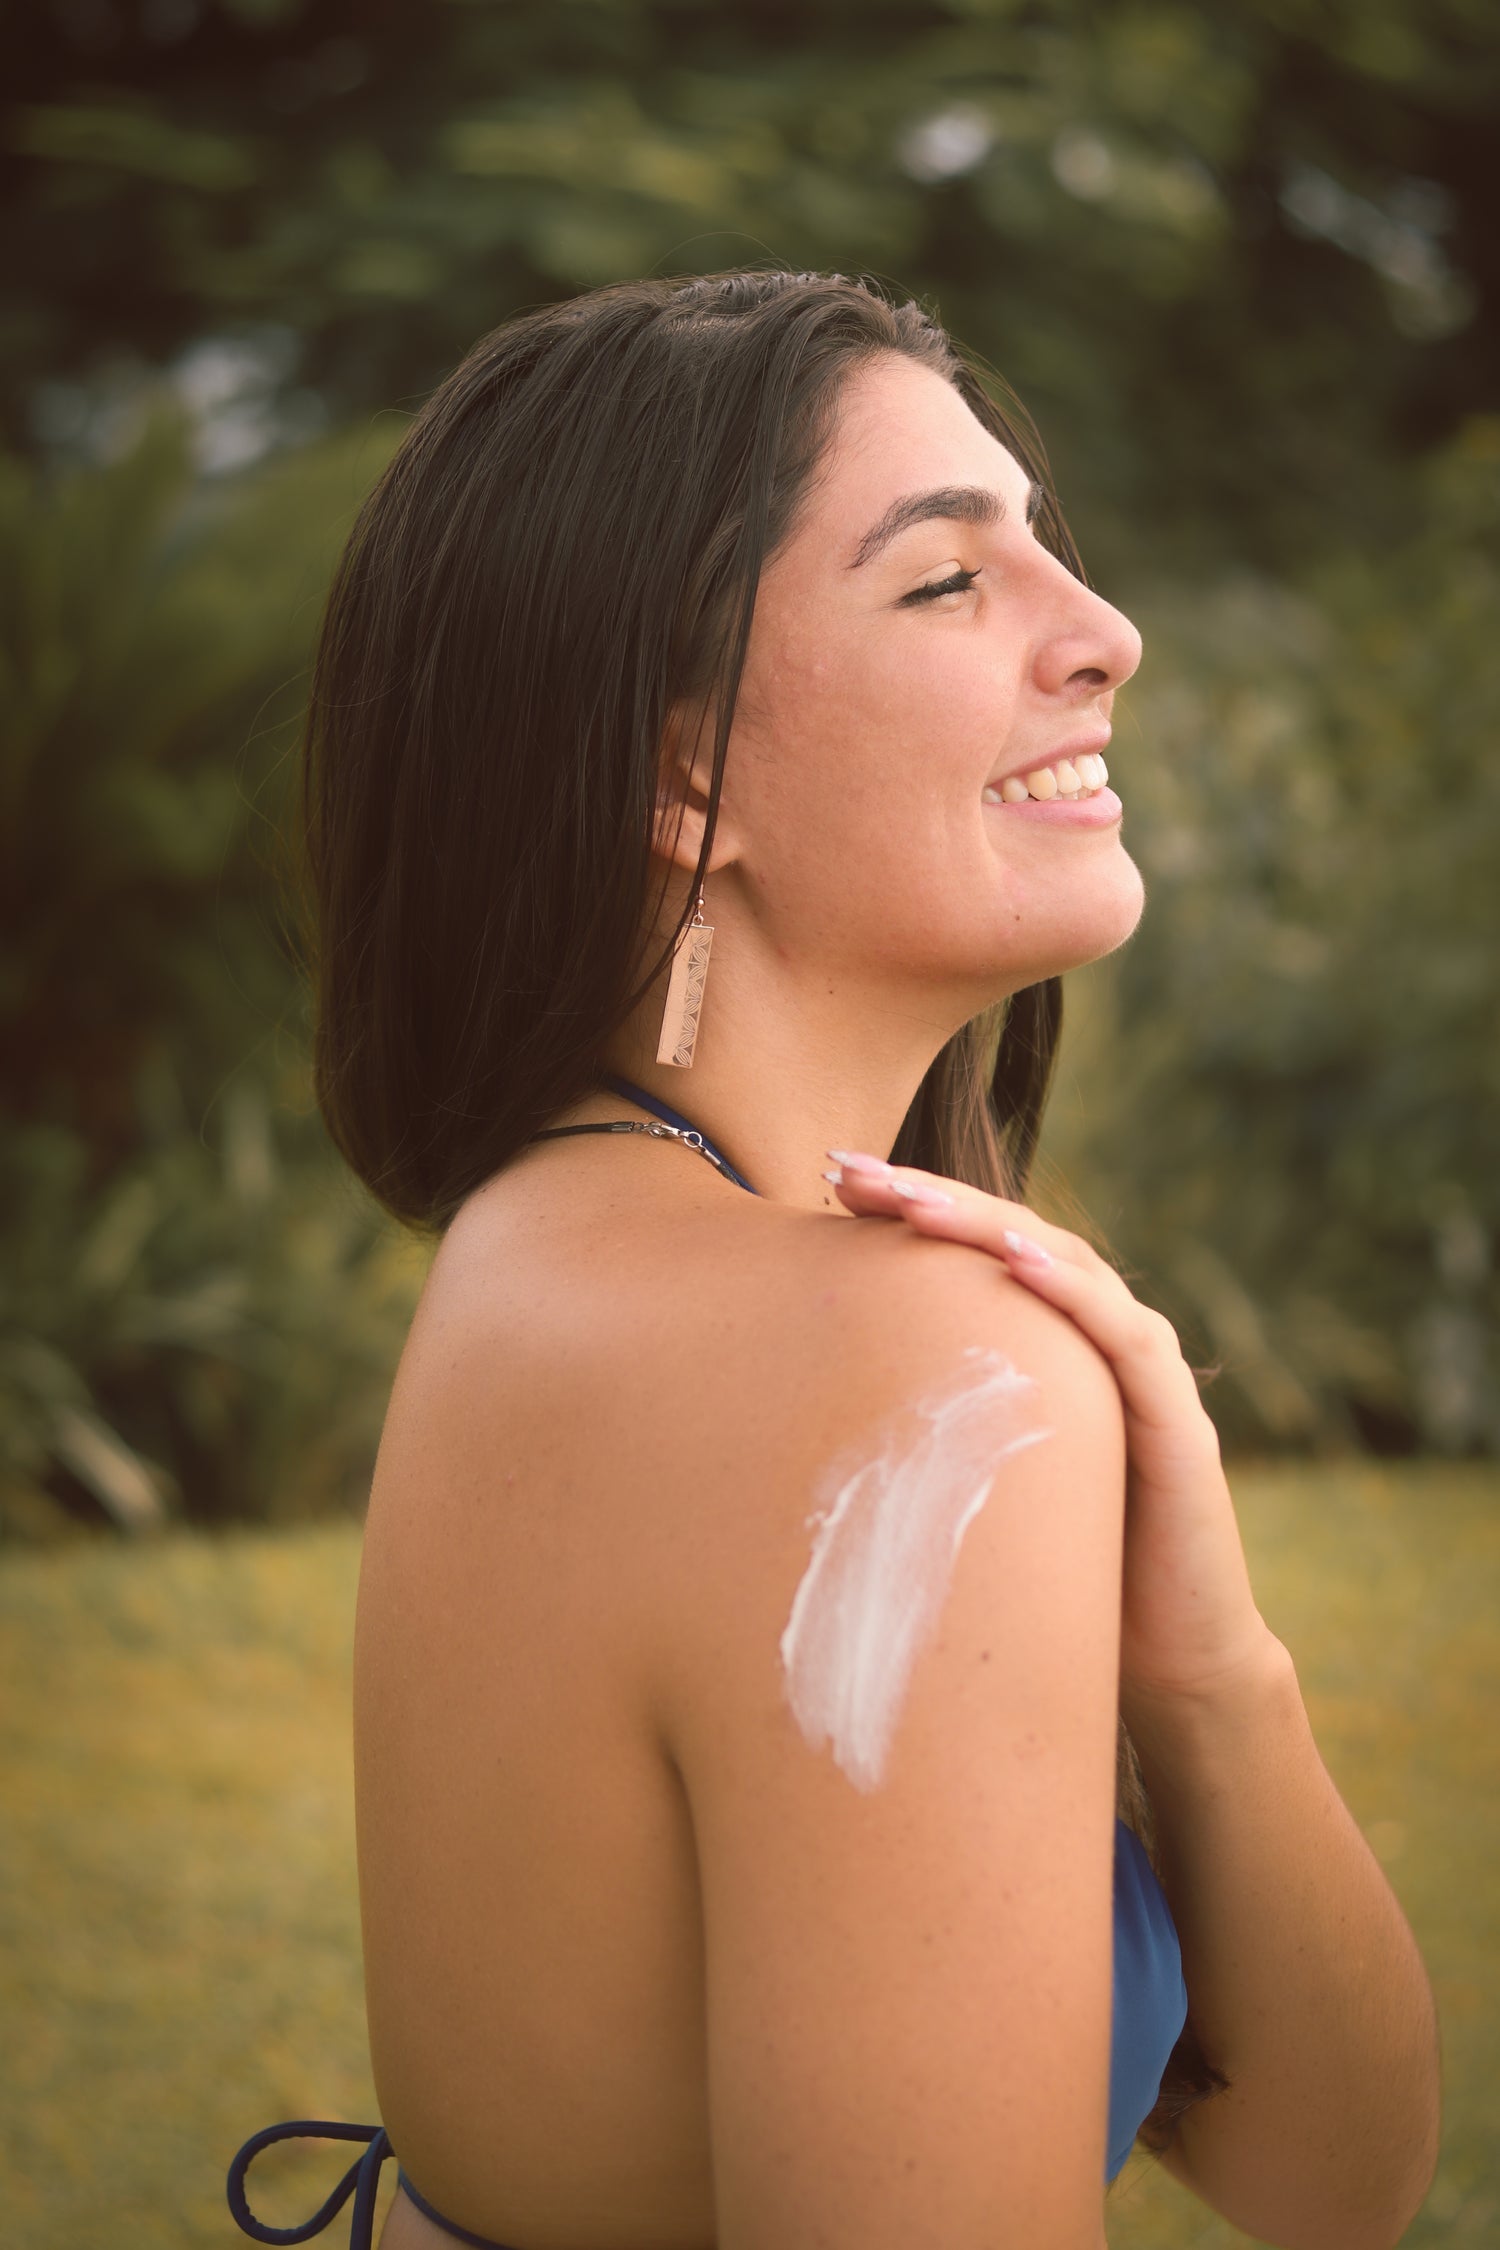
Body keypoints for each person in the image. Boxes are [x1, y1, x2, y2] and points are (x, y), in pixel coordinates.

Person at [227, 271, 1440, 2250]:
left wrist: (1211, 1667)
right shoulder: (911, 1385)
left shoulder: (544, 1244)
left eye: (1050, 549)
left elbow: (1329, 2179)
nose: (1106, 636)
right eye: (948, 584)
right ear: (679, 772)